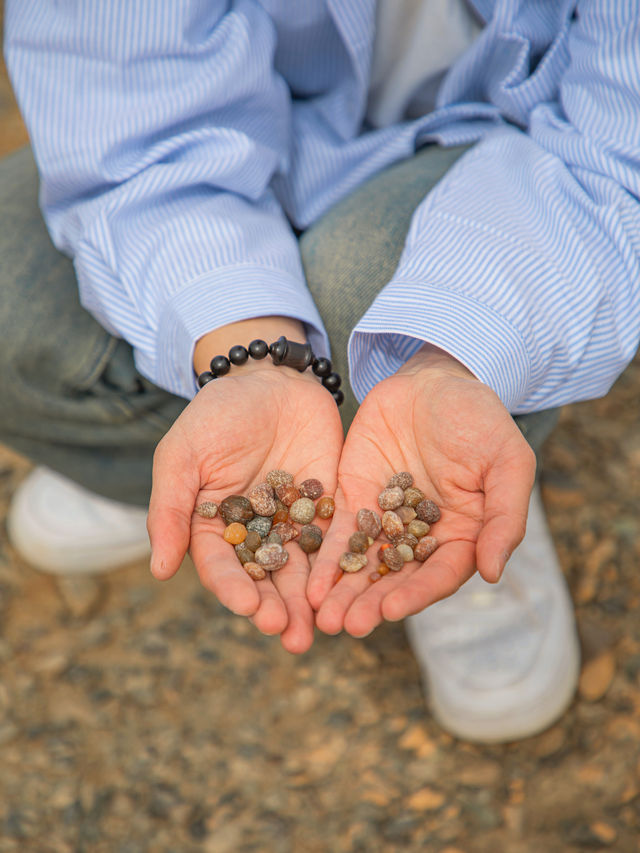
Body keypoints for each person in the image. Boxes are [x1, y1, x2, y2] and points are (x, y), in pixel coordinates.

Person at [2, 0, 638, 744]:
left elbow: (620, 150)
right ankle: (195, 448)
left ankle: (460, 480)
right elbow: (127, 109)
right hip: (272, 136)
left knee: (366, 291)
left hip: (520, 156)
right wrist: (252, 358)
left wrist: (452, 356)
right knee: (14, 298)